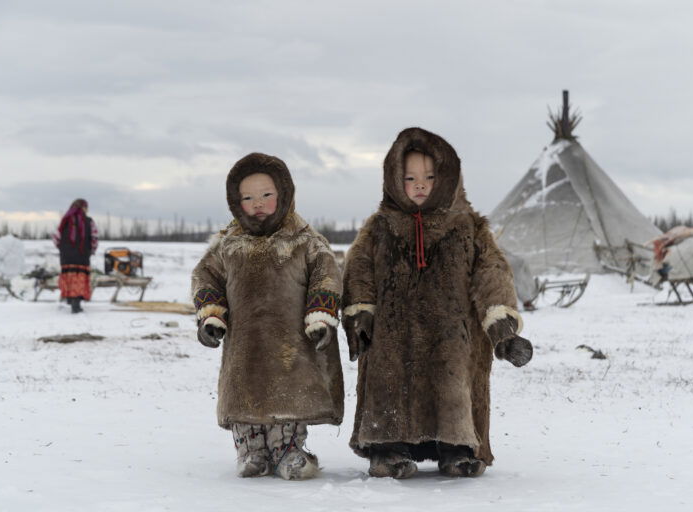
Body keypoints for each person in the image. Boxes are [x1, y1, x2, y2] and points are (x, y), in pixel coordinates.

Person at [341, 127, 533, 479]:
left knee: (453, 386)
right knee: (388, 386)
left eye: (430, 176)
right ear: (393, 178)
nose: (420, 185)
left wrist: (503, 329)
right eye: (410, 177)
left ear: (447, 177)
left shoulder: (468, 227)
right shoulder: (380, 226)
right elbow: (359, 271)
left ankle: (456, 450)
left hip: (451, 334)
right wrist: (360, 316)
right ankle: (387, 450)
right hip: (391, 335)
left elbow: (492, 274)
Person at [191, 153, 344, 480]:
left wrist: (320, 315)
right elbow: (206, 277)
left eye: (266, 195)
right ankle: (251, 449)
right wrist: (211, 315)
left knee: (289, 395)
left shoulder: (304, 240)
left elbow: (326, 275)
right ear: (235, 201)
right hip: (245, 344)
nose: (257, 203)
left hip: (291, 345)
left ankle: (288, 449)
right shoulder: (228, 244)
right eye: (247, 197)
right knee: (245, 396)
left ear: (284, 195)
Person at [52, 199, 98, 313]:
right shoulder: (89, 221)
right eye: (86, 207)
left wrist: (62, 248)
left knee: (69, 277)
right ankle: (76, 302)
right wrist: (92, 250)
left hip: (66, 256)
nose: (87, 210)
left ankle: (70, 298)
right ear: (83, 208)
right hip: (82, 256)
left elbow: (56, 237)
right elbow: (94, 238)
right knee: (80, 278)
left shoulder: (65, 220)